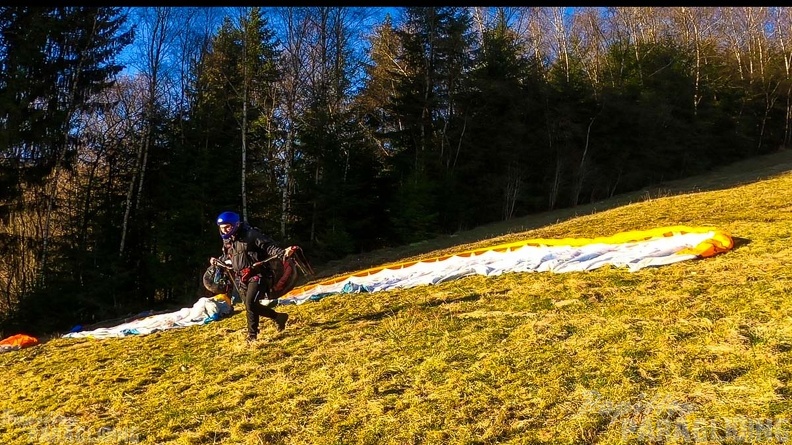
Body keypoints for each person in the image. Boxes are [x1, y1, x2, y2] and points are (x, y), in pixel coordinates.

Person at [210, 211, 289, 342]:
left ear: (235, 224)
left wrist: (283, 253)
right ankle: (253, 336)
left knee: (250, 303)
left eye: (227, 227)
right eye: (221, 228)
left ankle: (275, 318)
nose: (224, 231)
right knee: (249, 306)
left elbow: (269, 247)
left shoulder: (251, 234)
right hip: (241, 277)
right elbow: (229, 256)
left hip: (258, 274)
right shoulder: (228, 240)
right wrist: (218, 261)